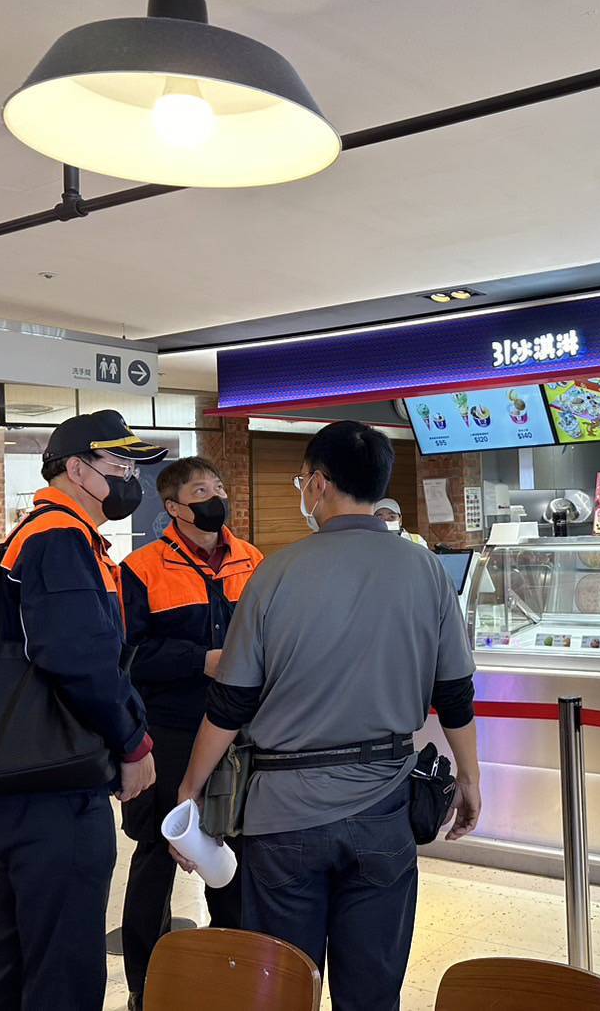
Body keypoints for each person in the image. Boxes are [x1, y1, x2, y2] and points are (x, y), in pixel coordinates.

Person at [175, 421, 481, 1011]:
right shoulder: (425, 570)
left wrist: (190, 788)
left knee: (284, 989)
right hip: (385, 806)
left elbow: (231, 703)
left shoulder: (274, 573)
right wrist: (469, 779)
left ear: (318, 484)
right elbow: (455, 694)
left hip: (281, 816)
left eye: (302, 483)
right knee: (372, 992)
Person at [0, 410, 164, 1011]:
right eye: (119, 464)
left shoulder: (48, 534)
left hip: (22, 777)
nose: (131, 478)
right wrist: (133, 743)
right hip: (54, 781)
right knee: (64, 962)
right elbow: (80, 658)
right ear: (77, 469)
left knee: (18, 949)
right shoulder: (60, 538)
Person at [118, 456, 264, 1010]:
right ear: (174, 508)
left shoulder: (252, 560)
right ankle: (146, 984)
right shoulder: (141, 569)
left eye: (218, 487)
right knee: (159, 854)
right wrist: (199, 660)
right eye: (202, 490)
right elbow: (128, 656)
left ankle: (234, 972)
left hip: (240, 732)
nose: (215, 497)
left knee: (234, 853)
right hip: (170, 730)